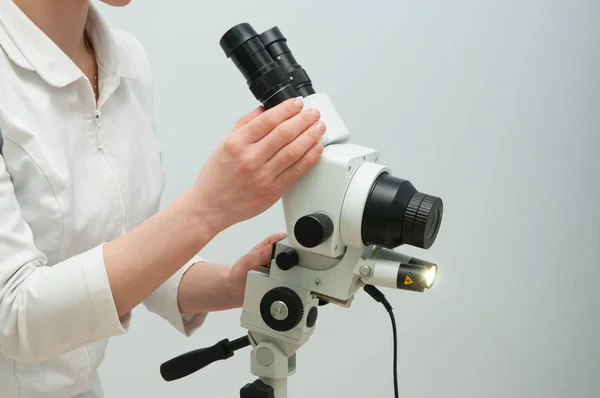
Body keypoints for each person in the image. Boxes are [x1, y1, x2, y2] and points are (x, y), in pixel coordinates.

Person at [0, 0, 326, 397]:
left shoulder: (124, 59)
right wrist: (209, 208)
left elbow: (130, 246)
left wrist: (231, 283)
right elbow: (12, 316)